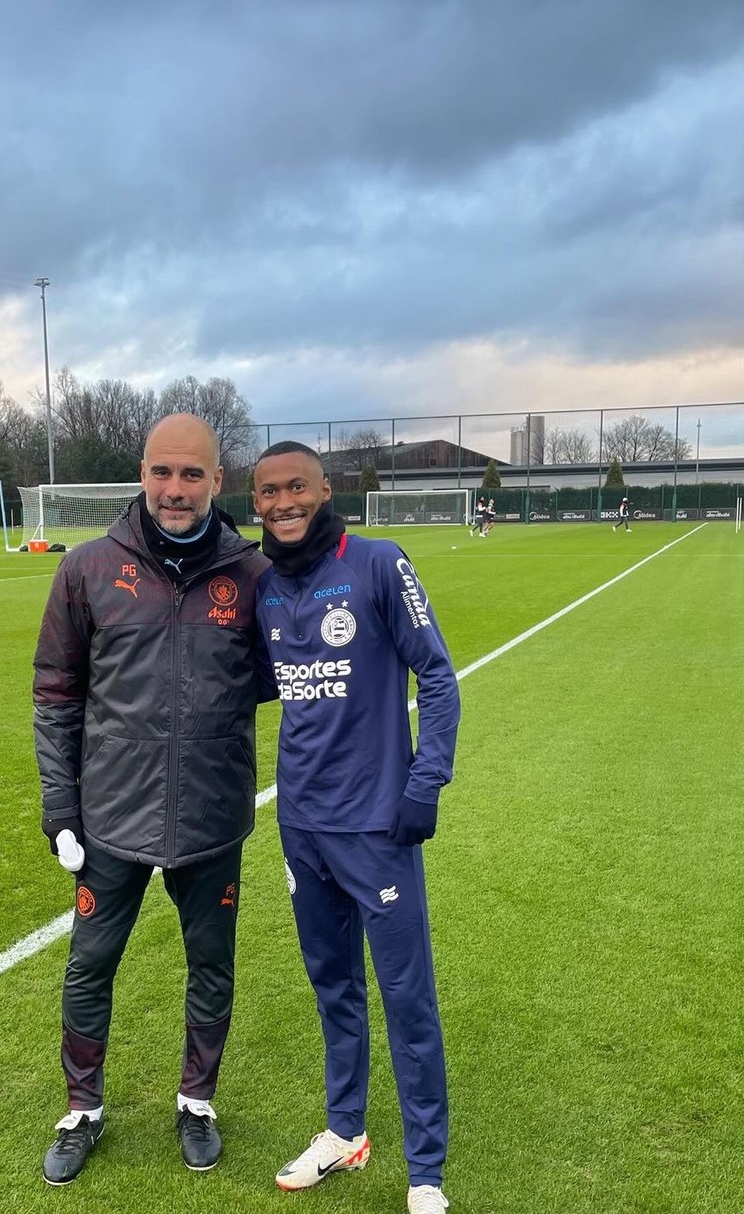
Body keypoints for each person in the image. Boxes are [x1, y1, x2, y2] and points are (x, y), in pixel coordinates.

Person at [32, 414, 269, 1185]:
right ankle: (82, 1109)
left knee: (212, 964)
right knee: (90, 964)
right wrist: (61, 808)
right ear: (142, 473)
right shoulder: (89, 568)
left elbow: (286, 683)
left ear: (215, 480)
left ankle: (196, 1100)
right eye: (163, 472)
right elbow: (56, 693)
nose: (175, 489)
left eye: (191, 474)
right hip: (110, 817)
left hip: (210, 817)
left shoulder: (252, 576)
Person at [252, 442, 460, 1214]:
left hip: (378, 825)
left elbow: (436, 674)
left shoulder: (377, 563)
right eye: (268, 491)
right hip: (301, 825)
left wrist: (425, 779)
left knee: (407, 996)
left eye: (295, 486)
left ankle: (427, 1170)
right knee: (333, 984)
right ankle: (345, 1130)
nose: (282, 502)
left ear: (325, 488)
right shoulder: (265, 587)